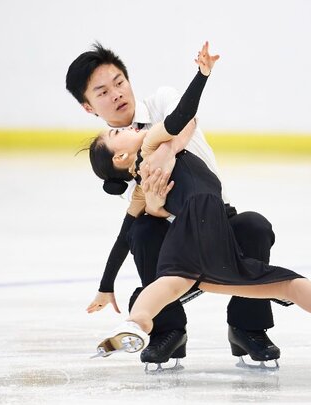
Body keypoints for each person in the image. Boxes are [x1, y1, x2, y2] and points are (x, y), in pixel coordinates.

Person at [87, 44, 311, 358]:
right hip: (193, 231)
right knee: (164, 266)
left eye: (118, 82)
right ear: (123, 156)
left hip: (215, 238)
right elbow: (127, 234)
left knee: (278, 285)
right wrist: (203, 76)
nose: (126, 128)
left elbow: (183, 116)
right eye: (116, 135)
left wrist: (105, 286)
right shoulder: (148, 151)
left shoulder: (154, 141)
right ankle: (139, 326)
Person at [66, 42, 280, 367]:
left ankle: (246, 329)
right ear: (88, 106)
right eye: (102, 91)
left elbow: (186, 119)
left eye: (119, 82)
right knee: (142, 232)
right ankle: (168, 332)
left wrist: (163, 150)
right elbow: (145, 212)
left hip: (217, 220)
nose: (117, 94)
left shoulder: (162, 100)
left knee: (254, 226)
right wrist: (152, 202)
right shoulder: (113, 159)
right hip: (174, 241)